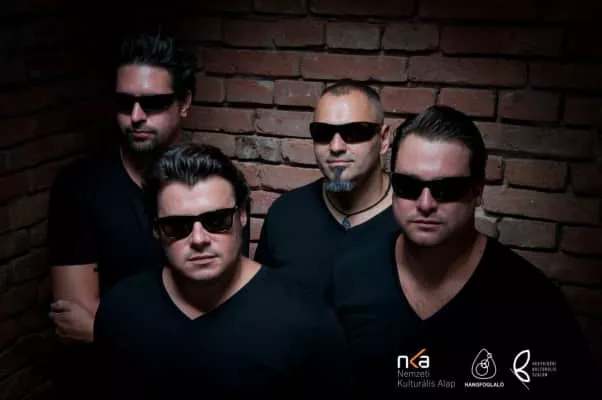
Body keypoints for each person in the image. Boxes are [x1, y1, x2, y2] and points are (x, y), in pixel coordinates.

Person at [329, 105, 594, 398]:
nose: (426, 204)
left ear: (477, 191)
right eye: (408, 185)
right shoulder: (351, 276)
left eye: (447, 189)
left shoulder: (534, 302)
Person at [46, 30, 248, 398]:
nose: (136, 117)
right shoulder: (79, 187)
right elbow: (72, 323)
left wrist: (107, 330)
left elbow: (225, 312)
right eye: (125, 103)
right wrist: (190, 342)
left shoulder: (214, 188)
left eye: (153, 104)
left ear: (184, 103)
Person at [93, 143, 352, 399]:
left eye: (216, 221)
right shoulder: (120, 309)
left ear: (242, 216)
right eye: (177, 226)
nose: (199, 239)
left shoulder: (307, 320)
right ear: (156, 229)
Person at [254, 80, 399, 298]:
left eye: (354, 132)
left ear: (384, 139)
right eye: (323, 133)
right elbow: (261, 302)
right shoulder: (285, 213)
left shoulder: (415, 217)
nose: (336, 147)